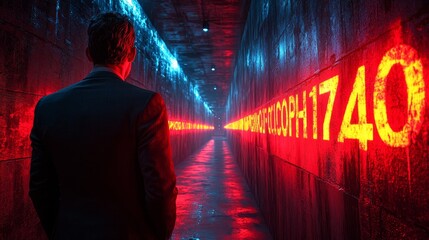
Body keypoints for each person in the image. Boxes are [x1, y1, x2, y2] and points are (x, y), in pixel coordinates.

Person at [29, 12, 177, 240]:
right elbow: (160, 188)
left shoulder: (48, 107)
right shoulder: (146, 105)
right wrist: (160, 234)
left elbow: (40, 187)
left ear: (89, 53)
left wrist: (59, 229)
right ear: (132, 54)